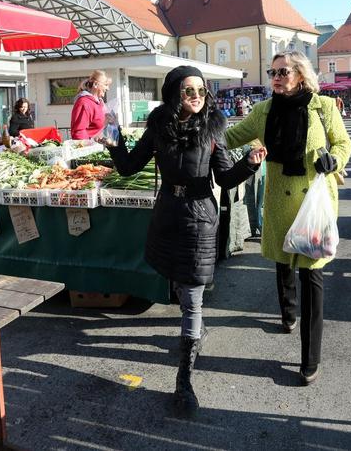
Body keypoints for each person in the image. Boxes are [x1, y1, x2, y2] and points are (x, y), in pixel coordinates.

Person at [105, 66, 266, 416]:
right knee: (178, 286)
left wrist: (249, 164)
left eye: (201, 91)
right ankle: (194, 332)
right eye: (189, 90)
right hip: (167, 214)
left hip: (199, 217)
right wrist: (115, 144)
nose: (196, 97)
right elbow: (130, 167)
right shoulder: (159, 127)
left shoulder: (212, 130)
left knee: (192, 295)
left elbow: (223, 174)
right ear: (174, 92)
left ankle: (184, 379)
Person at [225, 51, 351, 386]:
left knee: (311, 275)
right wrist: (197, 133)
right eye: (272, 71)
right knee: (283, 260)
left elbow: (343, 143)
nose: (276, 77)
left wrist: (334, 160)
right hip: (280, 202)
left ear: (300, 74)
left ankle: (310, 358)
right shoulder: (262, 111)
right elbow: (229, 137)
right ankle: (287, 312)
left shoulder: (323, 107)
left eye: (283, 71)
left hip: (313, 201)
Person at [70, 70, 112, 139]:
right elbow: (79, 132)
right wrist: (88, 147)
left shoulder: (100, 102)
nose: (108, 88)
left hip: (101, 145)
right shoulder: (84, 103)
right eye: (106, 85)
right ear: (95, 84)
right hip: (90, 148)